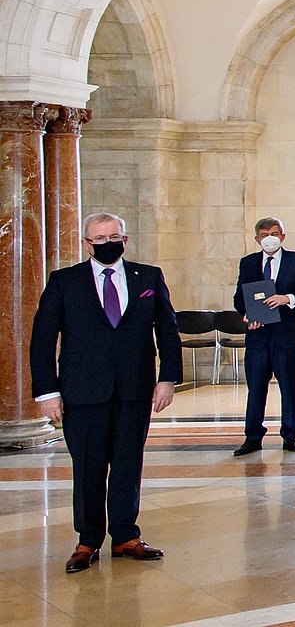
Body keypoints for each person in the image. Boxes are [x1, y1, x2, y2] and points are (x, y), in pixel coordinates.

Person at [29, 212, 181, 573]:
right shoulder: (64, 281)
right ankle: (88, 539)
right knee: (88, 467)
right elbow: (42, 339)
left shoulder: (149, 276)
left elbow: (168, 331)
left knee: (129, 463)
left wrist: (168, 378)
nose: (107, 243)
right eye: (99, 238)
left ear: (125, 240)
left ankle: (126, 536)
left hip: (135, 388)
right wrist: (47, 392)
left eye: (114, 236)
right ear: (87, 243)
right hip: (81, 392)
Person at [231, 217, 295, 455]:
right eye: (263, 235)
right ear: (257, 239)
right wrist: (247, 315)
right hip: (258, 336)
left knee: (288, 386)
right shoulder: (248, 263)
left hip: (288, 336)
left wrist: (288, 299)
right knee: (256, 387)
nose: (269, 238)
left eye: (273, 233)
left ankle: (290, 435)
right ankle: (252, 437)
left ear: (282, 236)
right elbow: (240, 297)